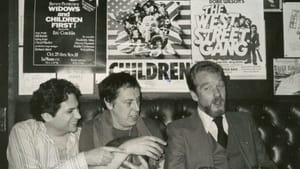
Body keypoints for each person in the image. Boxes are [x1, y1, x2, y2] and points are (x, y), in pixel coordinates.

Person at [164, 61, 277, 169]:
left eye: (220, 86)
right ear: (194, 95)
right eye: (207, 88)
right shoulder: (179, 131)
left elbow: (267, 165)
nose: (217, 94)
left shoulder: (245, 121)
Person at [6, 78, 124, 169]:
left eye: (77, 109)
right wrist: (84, 159)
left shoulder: (82, 134)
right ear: (47, 116)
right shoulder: (24, 132)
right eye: (70, 111)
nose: (79, 116)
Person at [79, 72, 166, 167]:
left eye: (138, 101)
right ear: (109, 103)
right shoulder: (91, 129)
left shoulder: (151, 127)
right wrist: (127, 148)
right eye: (129, 103)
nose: (137, 108)